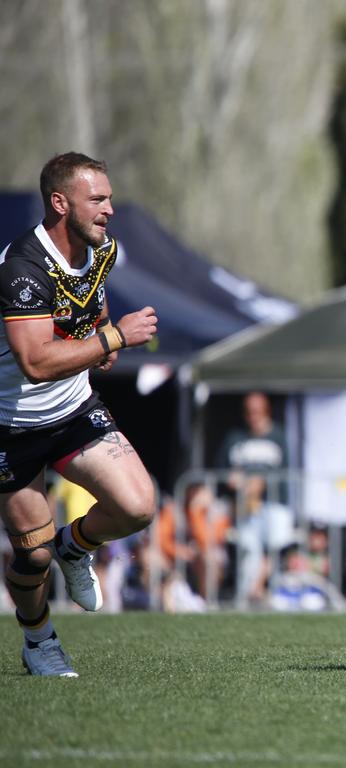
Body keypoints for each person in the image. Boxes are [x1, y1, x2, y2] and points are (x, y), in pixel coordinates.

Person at [0, 152, 159, 676]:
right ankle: (39, 641)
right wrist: (114, 337)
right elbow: (37, 361)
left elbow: (94, 295)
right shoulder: (22, 268)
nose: (110, 208)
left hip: (72, 410)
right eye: (99, 199)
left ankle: (77, 545)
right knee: (32, 558)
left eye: (109, 197)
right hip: (11, 427)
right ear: (60, 202)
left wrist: (102, 336)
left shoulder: (100, 249)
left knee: (137, 506)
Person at [216, 391, 293, 604]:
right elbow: (220, 471)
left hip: (274, 503)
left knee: (278, 543)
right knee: (248, 551)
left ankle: (259, 587)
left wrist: (260, 482)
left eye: (258, 411)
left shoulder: (278, 436)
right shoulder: (236, 438)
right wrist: (232, 480)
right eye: (249, 412)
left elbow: (285, 471)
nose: (253, 416)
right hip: (244, 507)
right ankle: (249, 595)